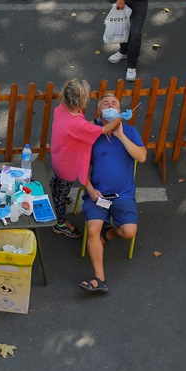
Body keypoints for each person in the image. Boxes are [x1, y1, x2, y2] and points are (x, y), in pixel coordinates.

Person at [79, 94, 147, 293]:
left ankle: (106, 237)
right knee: (92, 230)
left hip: (123, 195)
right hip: (97, 195)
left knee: (128, 232)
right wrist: (90, 191)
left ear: (120, 111)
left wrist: (121, 136)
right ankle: (99, 278)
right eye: (106, 104)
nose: (110, 105)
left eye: (114, 103)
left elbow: (141, 157)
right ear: (99, 111)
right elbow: (80, 168)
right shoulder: (91, 134)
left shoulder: (130, 131)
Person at [50, 79, 122, 238]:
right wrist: (119, 118)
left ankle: (54, 201)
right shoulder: (76, 124)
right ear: (80, 100)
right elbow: (103, 130)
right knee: (62, 191)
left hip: (58, 155)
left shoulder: (62, 109)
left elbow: (80, 127)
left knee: (56, 184)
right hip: (67, 164)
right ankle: (59, 223)